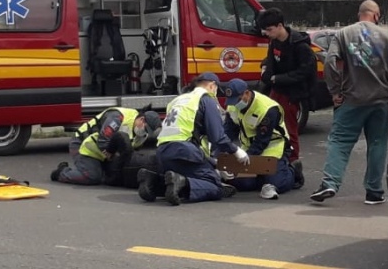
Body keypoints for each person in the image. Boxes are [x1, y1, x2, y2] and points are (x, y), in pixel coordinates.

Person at [309, 1, 388, 205]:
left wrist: (335, 91)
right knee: (377, 144)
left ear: (359, 14)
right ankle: (374, 191)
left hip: (351, 100)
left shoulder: (344, 34)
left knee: (339, 142)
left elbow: (329, 62)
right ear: (377, 15)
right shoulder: (387, 37)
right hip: (379, 101)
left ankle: (330, 182)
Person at [138, 72, 248, 205]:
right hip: (184, 151)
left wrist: (215, 165)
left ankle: (152, 181)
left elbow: (188, 134)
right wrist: (236, 151)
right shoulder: (206, 99)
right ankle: (183, 182)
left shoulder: (177, 100)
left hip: (163, 152)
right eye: (217, 89)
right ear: (212, 85)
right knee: (215, 185)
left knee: (174, 180)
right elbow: (217, 137)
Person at [219, 78, 303, 200]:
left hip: (273, 148)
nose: (235, 105)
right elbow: (229, 131)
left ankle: (293, 171)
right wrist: (225, 152)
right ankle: (261, 175)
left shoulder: (267, 109)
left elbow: (262, 141)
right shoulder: (232, 107)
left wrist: (245, 157)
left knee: (276, 184)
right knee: (242, 183)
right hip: (248, 147)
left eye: (237, 100)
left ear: (247, 93)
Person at [256, 7, 316, 165]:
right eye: (265, 30)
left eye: (269, 29)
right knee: (272, 125)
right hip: (276, 91)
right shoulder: (274, 41)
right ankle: (276, 156)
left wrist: (278, 78)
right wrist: (265, 69)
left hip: (292, 93)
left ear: (280, 26)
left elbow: (305, 71)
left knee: (290, 129)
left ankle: (293, 161)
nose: (267, 34)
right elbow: (270, 59)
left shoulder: (300, 45)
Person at [51, 107, 162, 186]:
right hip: (83, 145)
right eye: (145, 129)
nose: (145, 133)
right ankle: (61, 172)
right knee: (92, 177)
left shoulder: (142, 134)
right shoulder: (118, 117)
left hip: (105, 154)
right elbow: (103, 141)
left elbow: (131, 152)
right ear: (142, 119)